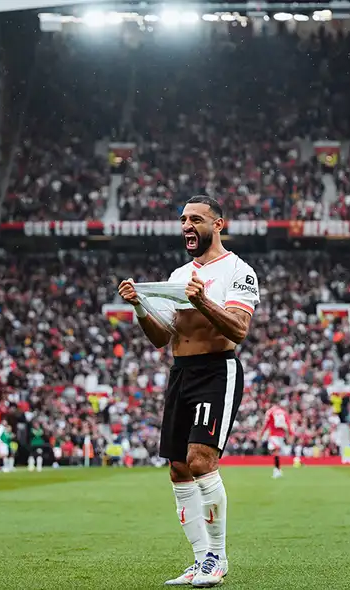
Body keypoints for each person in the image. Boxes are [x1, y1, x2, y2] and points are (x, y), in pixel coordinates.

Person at [118, 195, 260, 588]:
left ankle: (218, 556)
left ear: (218, 224)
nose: (186, 225)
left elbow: (238, 331)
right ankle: (200, 560)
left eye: (196, 218)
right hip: (181, 372)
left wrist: (202, 300)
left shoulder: (238, 271)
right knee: (178, 467)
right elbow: (162, 339)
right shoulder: (179, 274)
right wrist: (141, 308)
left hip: (217, 370)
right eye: (182, 219)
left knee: (200, 460)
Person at [261, 403, 292, 479]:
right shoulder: (283, 412)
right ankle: (278, 469)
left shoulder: (270, 411)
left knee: (275, 452)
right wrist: (290, 434)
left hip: (273, 435)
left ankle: (276, 470)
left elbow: (266, 423)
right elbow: (288, 424)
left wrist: (262, 433)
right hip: (281, 435)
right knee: (276, 452)